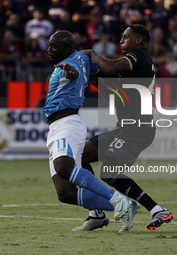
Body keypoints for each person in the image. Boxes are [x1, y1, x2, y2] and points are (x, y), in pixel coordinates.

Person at [77, 24, 174, 231]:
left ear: (139, 41)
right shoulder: (130, 70)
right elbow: (110, 91)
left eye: (125, 37)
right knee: (80, 155)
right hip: (127, 128)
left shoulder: (140, 55)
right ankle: (96, 213)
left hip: (138, 129)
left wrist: (93, 53)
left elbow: (109, 68)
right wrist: (85, 75)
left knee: (109, 173)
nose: (121, 41)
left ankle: (157, 210)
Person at [43, 30, 138, 233]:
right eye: (49, 44)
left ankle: (118, 199)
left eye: (54, 46)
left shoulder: (73, 61)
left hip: (66, 123)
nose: (49, 49)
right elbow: (100, 72)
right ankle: (117, 208)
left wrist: (72, 73)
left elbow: (74, 72)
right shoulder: (83, 58)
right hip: (58, 127)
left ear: (68, 48)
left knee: (64, 167)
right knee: (65, 193)